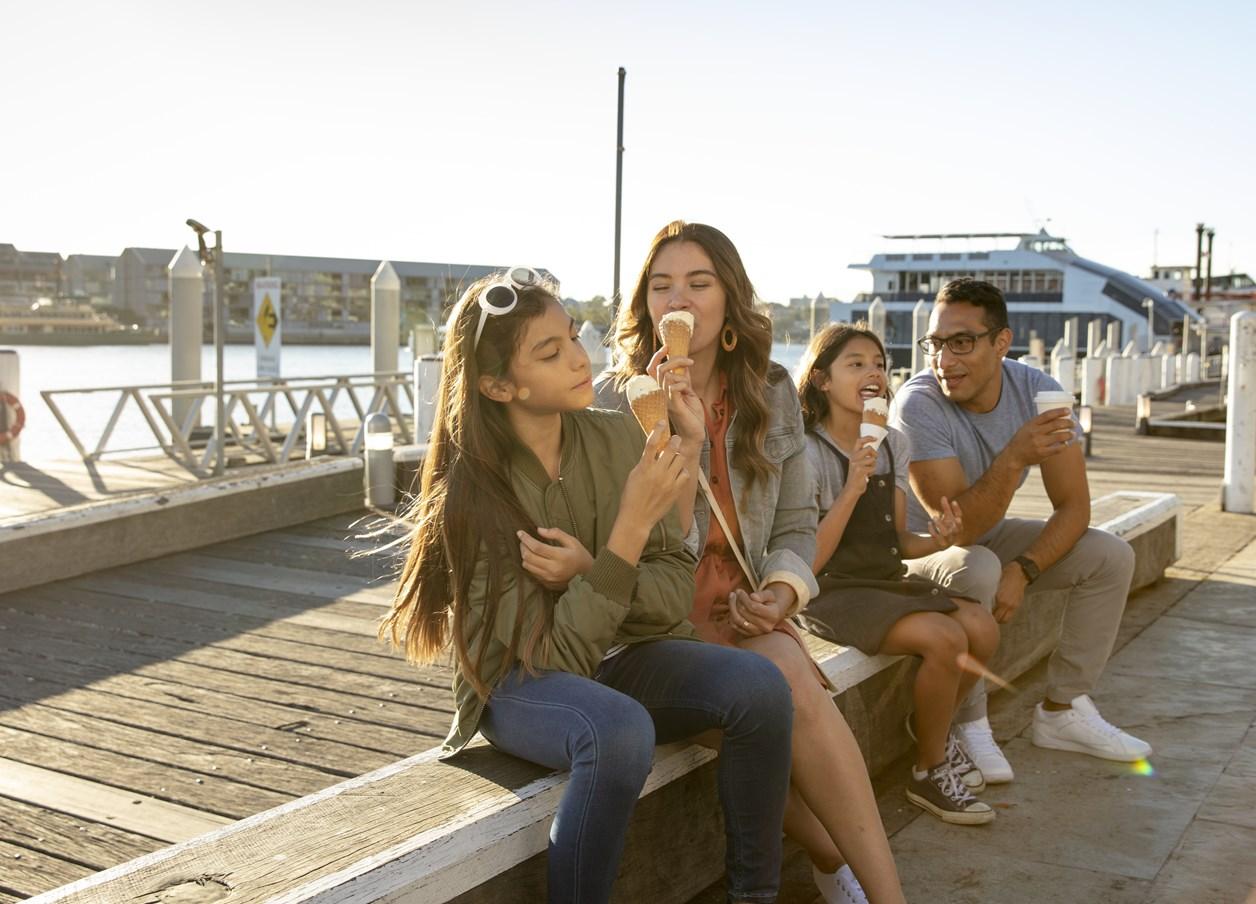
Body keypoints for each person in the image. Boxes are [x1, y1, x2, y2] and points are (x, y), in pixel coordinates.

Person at [382, 268, 795, 904]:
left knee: (760, 686)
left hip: (622, 656)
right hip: (515, 685)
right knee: (617, 730)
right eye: (549, 353)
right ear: (497, 384)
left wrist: (589, 568)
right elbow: (552, 662)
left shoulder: (618, 435)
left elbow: (667, 598)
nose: (580, 358)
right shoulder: (473, 494)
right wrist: (627, 532)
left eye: (574, 337)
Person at [598, 222, 905, 904]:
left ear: (728, 300)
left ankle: (874, 886)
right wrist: (669, 433)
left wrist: (782, 593)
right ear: (644, 306)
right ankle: (844, 864)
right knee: (787, 678)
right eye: (661, 285)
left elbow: (795, 524)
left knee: (786, 668)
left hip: (743, 610)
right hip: (656, 625)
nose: (678, 298)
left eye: (698, 283)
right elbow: (626, 551)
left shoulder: (768, 392)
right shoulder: (614, 404)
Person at [892, 277, 1152, 778]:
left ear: (1002, 343)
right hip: (920, 548)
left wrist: (1027, 568)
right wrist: (1014, 457)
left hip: (985, 541)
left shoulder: (1039, 393)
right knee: (982, 565)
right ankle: (968, 723)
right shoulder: (918, 403)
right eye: (935, 344)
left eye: (962, 342)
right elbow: (958, 530)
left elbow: (1075, 507)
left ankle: (1063, 710)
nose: (945, 360)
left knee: (1110, 556)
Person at [797, 322, 1000, 826]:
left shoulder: (893, 442)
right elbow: (807, 561)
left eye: (880, 364)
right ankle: (929, 770)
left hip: (884, 580)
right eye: (856, 364)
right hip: (829, 590)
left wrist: (940, 538)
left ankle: (930, 730)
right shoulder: (808, 452)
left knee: (982, 627)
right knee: (947, 637)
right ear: (822, 380)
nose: (874, 373)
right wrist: (851, 485)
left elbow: (898, 543)